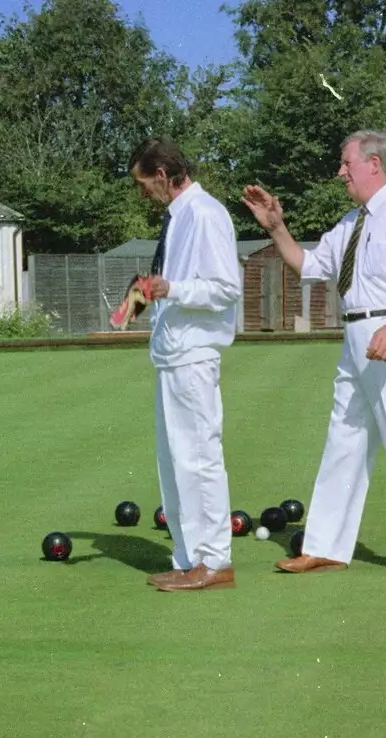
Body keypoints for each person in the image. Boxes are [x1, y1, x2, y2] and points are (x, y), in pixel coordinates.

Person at [242, 130, 386, 578]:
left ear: (374, 164)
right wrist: (277, 227)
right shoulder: (348, 223)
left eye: (346, 163)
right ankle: (326, 546)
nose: (340, 172)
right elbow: (308, 266)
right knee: (343, 436)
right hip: (354, 336)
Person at [129, 136, 244, 591]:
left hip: (195, 354)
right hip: (171, 354)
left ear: (163, 174)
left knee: (199, 457)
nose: (142, 194)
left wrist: (172, 290)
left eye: (143, 184)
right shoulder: (177, 218)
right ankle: (189, 558)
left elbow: (224, 287)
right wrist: (145, 299)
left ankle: (215, 561)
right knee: (174, 460)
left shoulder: (205, 214)